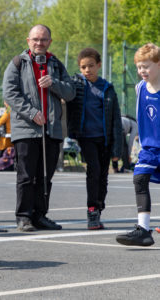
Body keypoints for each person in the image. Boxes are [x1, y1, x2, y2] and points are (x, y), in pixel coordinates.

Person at [3, 24, 75, 232]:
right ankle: (24, 217)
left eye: (43, 39)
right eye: (35, 39)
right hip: (26, 130)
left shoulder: (57, 65)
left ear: (50, 42)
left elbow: (70, 93)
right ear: (28, 41)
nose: (39, 43)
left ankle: (40, 215)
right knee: (26, 176)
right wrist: (32, 113)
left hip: (51, 130)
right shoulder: (17, 63)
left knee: (45, 176)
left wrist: (53, 84)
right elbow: (10, 93)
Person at [67, 47, 122, 230]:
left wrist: (117, 150)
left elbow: (115, 121)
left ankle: (98, 208)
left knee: (103, 176)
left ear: (98, 65)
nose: (87, 70)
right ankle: (92, 209)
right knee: (94, 170)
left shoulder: (107, 88)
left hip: (104, 139)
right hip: (86, 137)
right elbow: (65, 95)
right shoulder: (76, 85)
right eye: (83, 67)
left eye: (91, 66)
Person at [116, 43, 160, 246]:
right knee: (140, 179)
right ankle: (143, 229)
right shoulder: (140, 87)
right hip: (149, 147)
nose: (142, 70)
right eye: (139, 67)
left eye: (147, 66)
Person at [0, 102, 12, 166]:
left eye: (5, 102)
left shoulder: (9, 108)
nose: (4, 103)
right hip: (11, 132)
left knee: (0, 148)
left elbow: (4, 118)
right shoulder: (13, 107)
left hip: (8, 133)